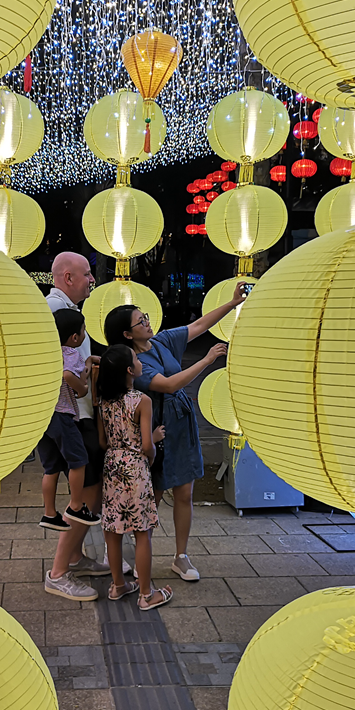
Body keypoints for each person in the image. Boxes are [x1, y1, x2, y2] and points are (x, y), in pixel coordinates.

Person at [104, 281, 247, 582]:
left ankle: (181, 556)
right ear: (127, 334)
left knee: (184, 492)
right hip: (156, 428)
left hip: (181, 423)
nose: (147, 322)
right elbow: (168, 385)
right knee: (150, 497)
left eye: (145, 317)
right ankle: (138, 552)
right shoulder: (133, 363)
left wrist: (233, 303)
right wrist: (207, 360)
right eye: (140, 321)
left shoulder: (161, 341)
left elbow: (199, 325)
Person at [44, 252, 114, 602]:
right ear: (68, 277)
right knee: (87, 494)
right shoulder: (54, 312)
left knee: (90, 489)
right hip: (72, 416)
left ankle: (73, 558)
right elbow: (54, 367)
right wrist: (81, 378)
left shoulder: (63, 310)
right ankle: (58, 573)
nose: (92, 279)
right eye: (87, 274)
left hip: (72, 414)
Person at [97, 345, 171, 610]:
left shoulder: (103, 401)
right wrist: (151, 453)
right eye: (137, 359)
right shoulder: (142, 401)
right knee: (142, 531)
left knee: (113, 529)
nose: (140, 362)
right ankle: (147, 594)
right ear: (130, 371)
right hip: (136, 466)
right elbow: (147, 445)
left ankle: (118, 586)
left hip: (112, 466)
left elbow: (103, 441)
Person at [38, 309, 101, 530]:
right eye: (84, 330)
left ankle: (49, 513)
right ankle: (76, 505)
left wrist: (88, 362)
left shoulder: (46, 353)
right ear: (75, 337)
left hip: (44, 417)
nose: (84, 334)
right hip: (63, 416)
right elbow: (73, 379)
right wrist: (82, 388)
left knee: (51, 468)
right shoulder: (71, 354)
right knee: (79, 461)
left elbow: (76, 373)